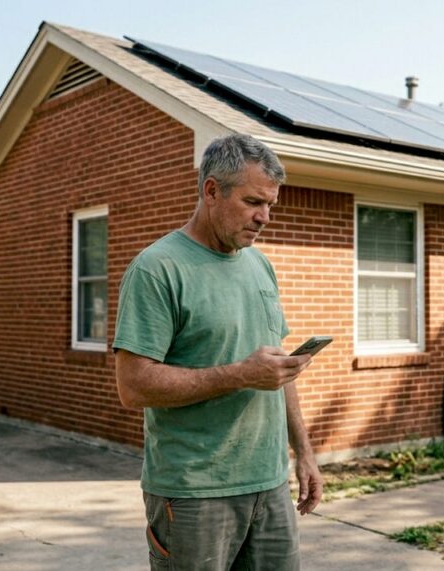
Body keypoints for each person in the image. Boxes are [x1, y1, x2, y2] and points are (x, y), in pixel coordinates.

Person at [113, 133, 322, 570]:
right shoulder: (157, 269)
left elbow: (277, 370)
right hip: (193, 492)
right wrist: (240, 375)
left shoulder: (259, 264)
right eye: (252, 202)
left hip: (268, 484)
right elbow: (133, 387)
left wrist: (303, 453)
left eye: (270, 205)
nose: (264, 217)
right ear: (212, 190)